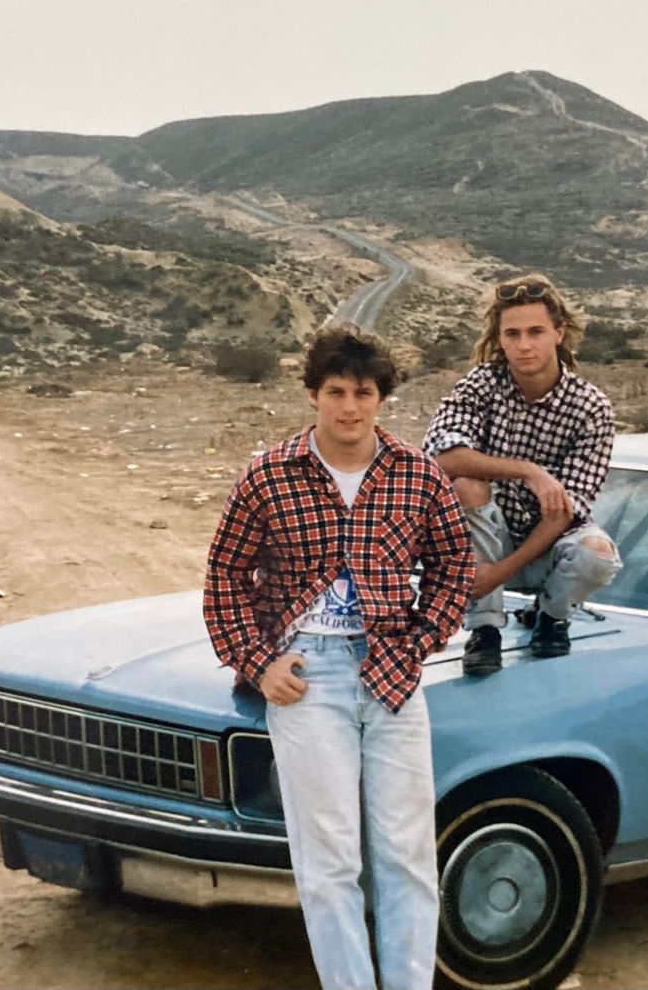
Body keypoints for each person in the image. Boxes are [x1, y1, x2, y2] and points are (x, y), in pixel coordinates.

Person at [203, 324, 473, 990]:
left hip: (392, 673)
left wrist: (419, 641)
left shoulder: (417, 473)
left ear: (381, 397)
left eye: (363, 393)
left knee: (407, 854)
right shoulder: (268, 473)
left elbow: (453, 568)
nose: (349, 407)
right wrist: (258, 662)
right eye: (335, 392)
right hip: (306, 674)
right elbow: (225, 577)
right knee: (329, 861)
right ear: (313, 394)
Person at [422, 274, 621, 675]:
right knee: (466, 485)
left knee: (597, 554)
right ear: (499, 338)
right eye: (512, 334)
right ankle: (484, 628)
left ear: (559, 333)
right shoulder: (482, 384)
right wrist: (529, 471)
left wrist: (500, 572)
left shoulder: (591, 407)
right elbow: (442, 457)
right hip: (487, 541)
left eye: (536, 332)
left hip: (549, 544)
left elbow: (566, 511)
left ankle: (552, 615)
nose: (524, 345)